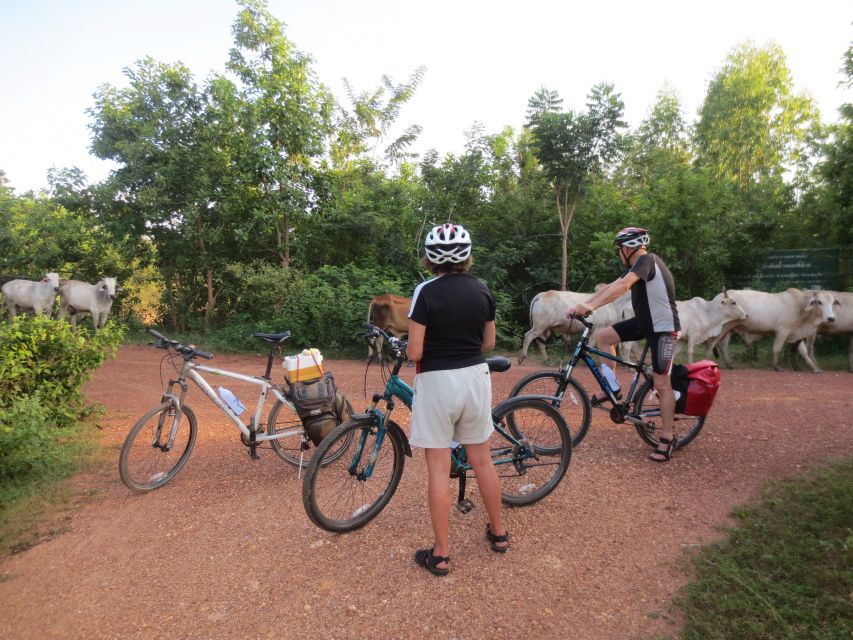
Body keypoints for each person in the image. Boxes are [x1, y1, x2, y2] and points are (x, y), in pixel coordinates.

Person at [406, 222, 509, 576]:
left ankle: (442, 553)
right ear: (467, 255)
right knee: (482, 461)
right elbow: (489, 342)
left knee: (437, 467)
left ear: (431, 259)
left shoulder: (425, 292)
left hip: (437, 381)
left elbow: (415, 349)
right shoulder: (482, 290)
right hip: (475, 378)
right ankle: (498, 533)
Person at [566, 227, 681, 462]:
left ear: (627, 248)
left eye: (619, 249)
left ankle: (667, 437)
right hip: (644, 323)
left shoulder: (647, 261)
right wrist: (582, 305)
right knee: (604, 337)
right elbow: (610, 286)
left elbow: (623, 287)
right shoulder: (635, 267)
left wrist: (590, 308)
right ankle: (613, 388)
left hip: (664, 329)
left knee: (661, 382)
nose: (619, 254)